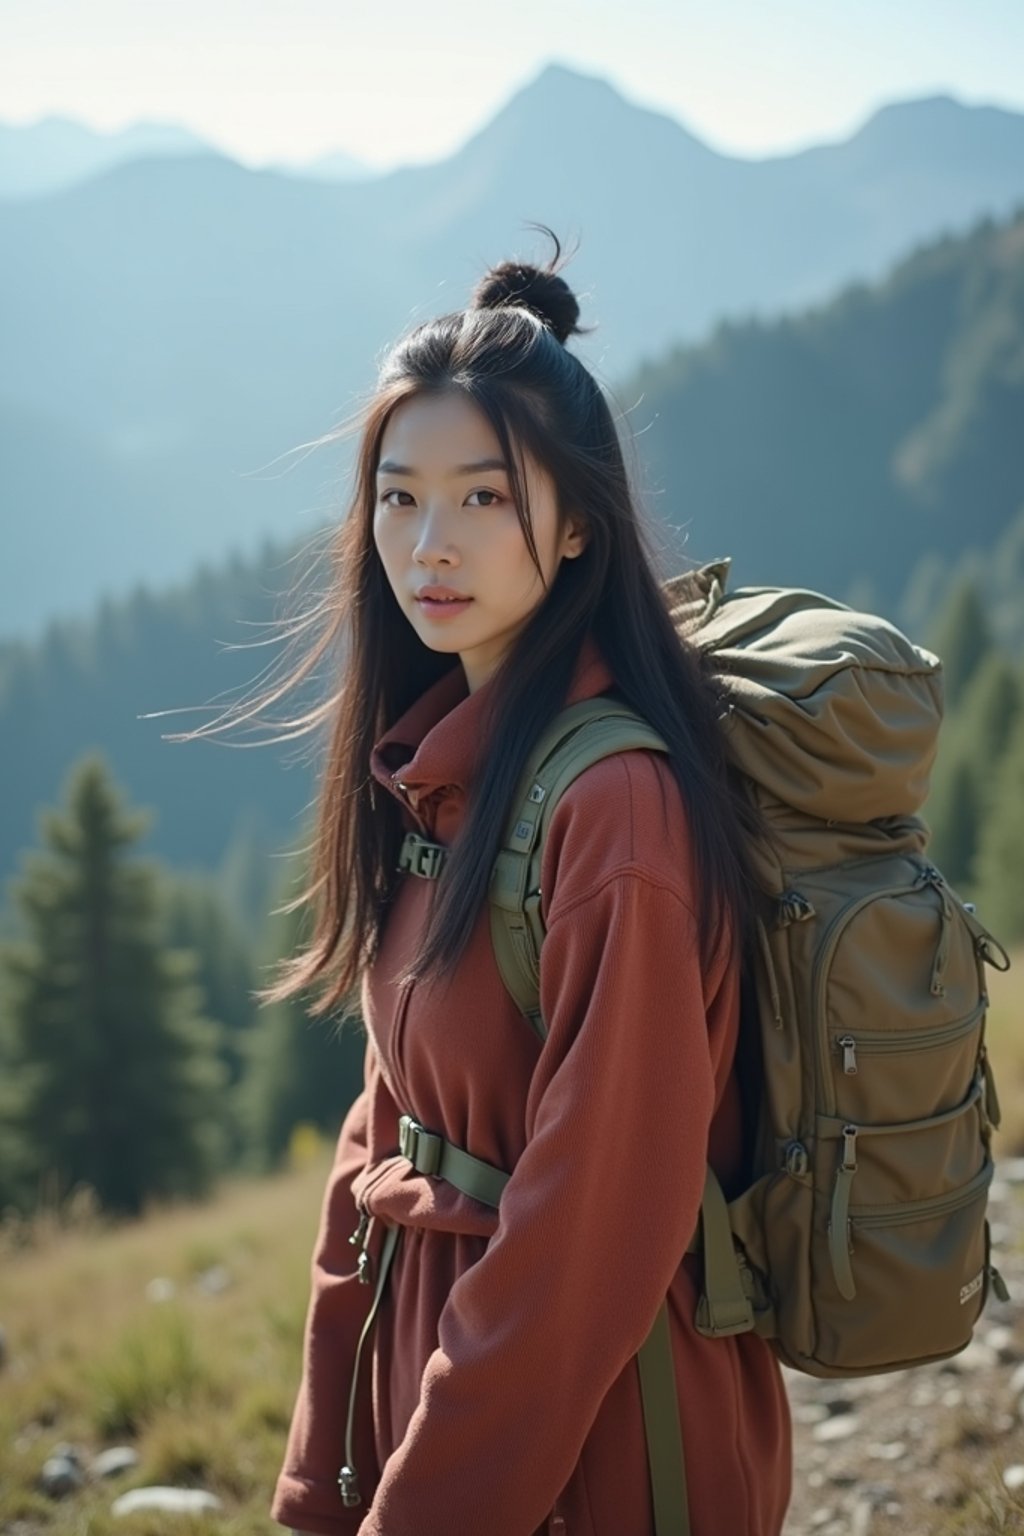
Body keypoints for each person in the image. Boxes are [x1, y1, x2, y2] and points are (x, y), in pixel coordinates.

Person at [265, 225, 793, 1536]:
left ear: (573, 528)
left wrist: (421, 1509)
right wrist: (323, 1483)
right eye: (398, 494)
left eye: (483, 496)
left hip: (603, 1441)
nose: (428, 541)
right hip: (451, 1408)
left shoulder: (613, 816)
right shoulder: (439, 776)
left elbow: (588, 1239)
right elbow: (380, 1140)